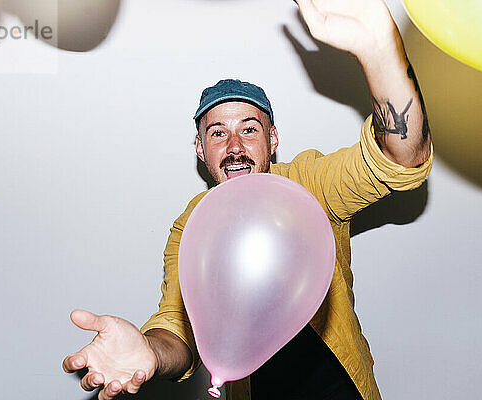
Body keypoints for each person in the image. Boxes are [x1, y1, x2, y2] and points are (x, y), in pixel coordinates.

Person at [62, 0, 433, 399]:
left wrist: (381, 53)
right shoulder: (192, 226)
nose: (235, 147)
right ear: (201, 150)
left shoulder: (308, 184)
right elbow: (175, 329)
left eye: (249, 129)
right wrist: (149, 351)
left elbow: (400, 157)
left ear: (273, 139)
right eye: (218, 133)